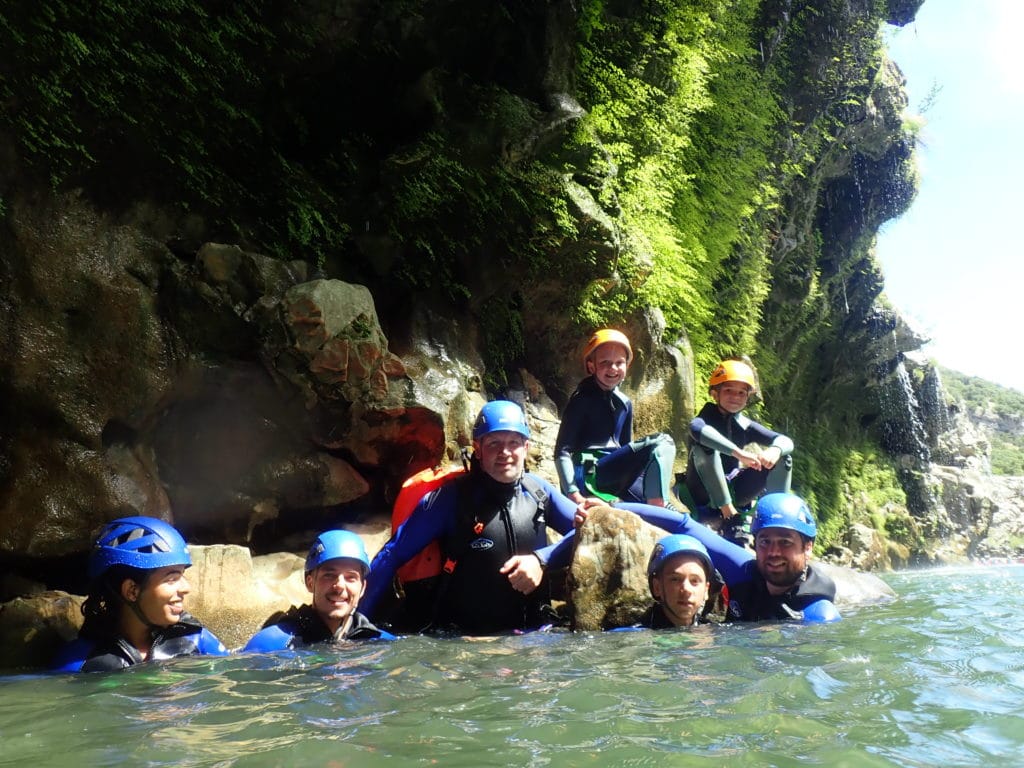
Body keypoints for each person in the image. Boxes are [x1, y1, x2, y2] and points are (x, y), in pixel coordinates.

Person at [361, 400, 582, 635]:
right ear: (478, 448)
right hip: (468, 643)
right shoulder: (450, 499)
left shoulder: (538, 491)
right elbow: (392, 554)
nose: (505, 453)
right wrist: (357, 621)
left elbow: (589, 530)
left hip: (537, 637)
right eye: (494, 443)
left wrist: (542, 559)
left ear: (526, 447)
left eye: (514, 443)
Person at [617, 492, 840, 622]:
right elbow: (684, 525)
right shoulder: (743, 571)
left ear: (807, 547)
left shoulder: (817, 615)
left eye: (785, 542)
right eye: (765, 541)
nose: (773, 552)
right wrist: (615, 507)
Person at [51, 516, 228, 673]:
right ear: (132, 591)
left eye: (182, 575)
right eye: (172, 579)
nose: (186, 588)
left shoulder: (197, 640)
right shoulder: (81, 662)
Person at [554, 328, 677, 508]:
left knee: (671, 511)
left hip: (612, 472)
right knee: (662, 441)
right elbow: (562, 451)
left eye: (619, 362)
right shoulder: (581, 400)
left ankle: (661, 506)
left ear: (627, 366)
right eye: (605, 362)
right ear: (591, 366)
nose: (613, 368)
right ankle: (658, 505)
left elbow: (627, 450)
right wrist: (573, 494)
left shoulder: (625, 403)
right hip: (589, 474)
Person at [683, 358, 794, 524]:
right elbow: (696, 429)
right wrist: (739, 453)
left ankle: (776, 519)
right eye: (728, 390)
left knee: (784, 458)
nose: (735, 397)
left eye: (741, 393)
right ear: (715, 394)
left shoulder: (744, 424)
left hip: (735, 489)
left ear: (747, 397)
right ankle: (728, 514)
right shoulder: (706, 417)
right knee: (705, 448)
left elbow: (784, 440)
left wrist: (775, 450)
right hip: (702, 491)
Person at [243, 530, 395, 651]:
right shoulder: (271, 644)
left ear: (362, 588)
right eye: (329, 575)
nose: (340, 585)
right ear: (310, 583)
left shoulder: (381, 645)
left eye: (351, 577)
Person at [640, 534, 723, 628]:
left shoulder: (713, 631)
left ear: (706, 590)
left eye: (694, 581)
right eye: (675, 579)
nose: (687, 589)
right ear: (657, 587)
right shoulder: (637, 638)